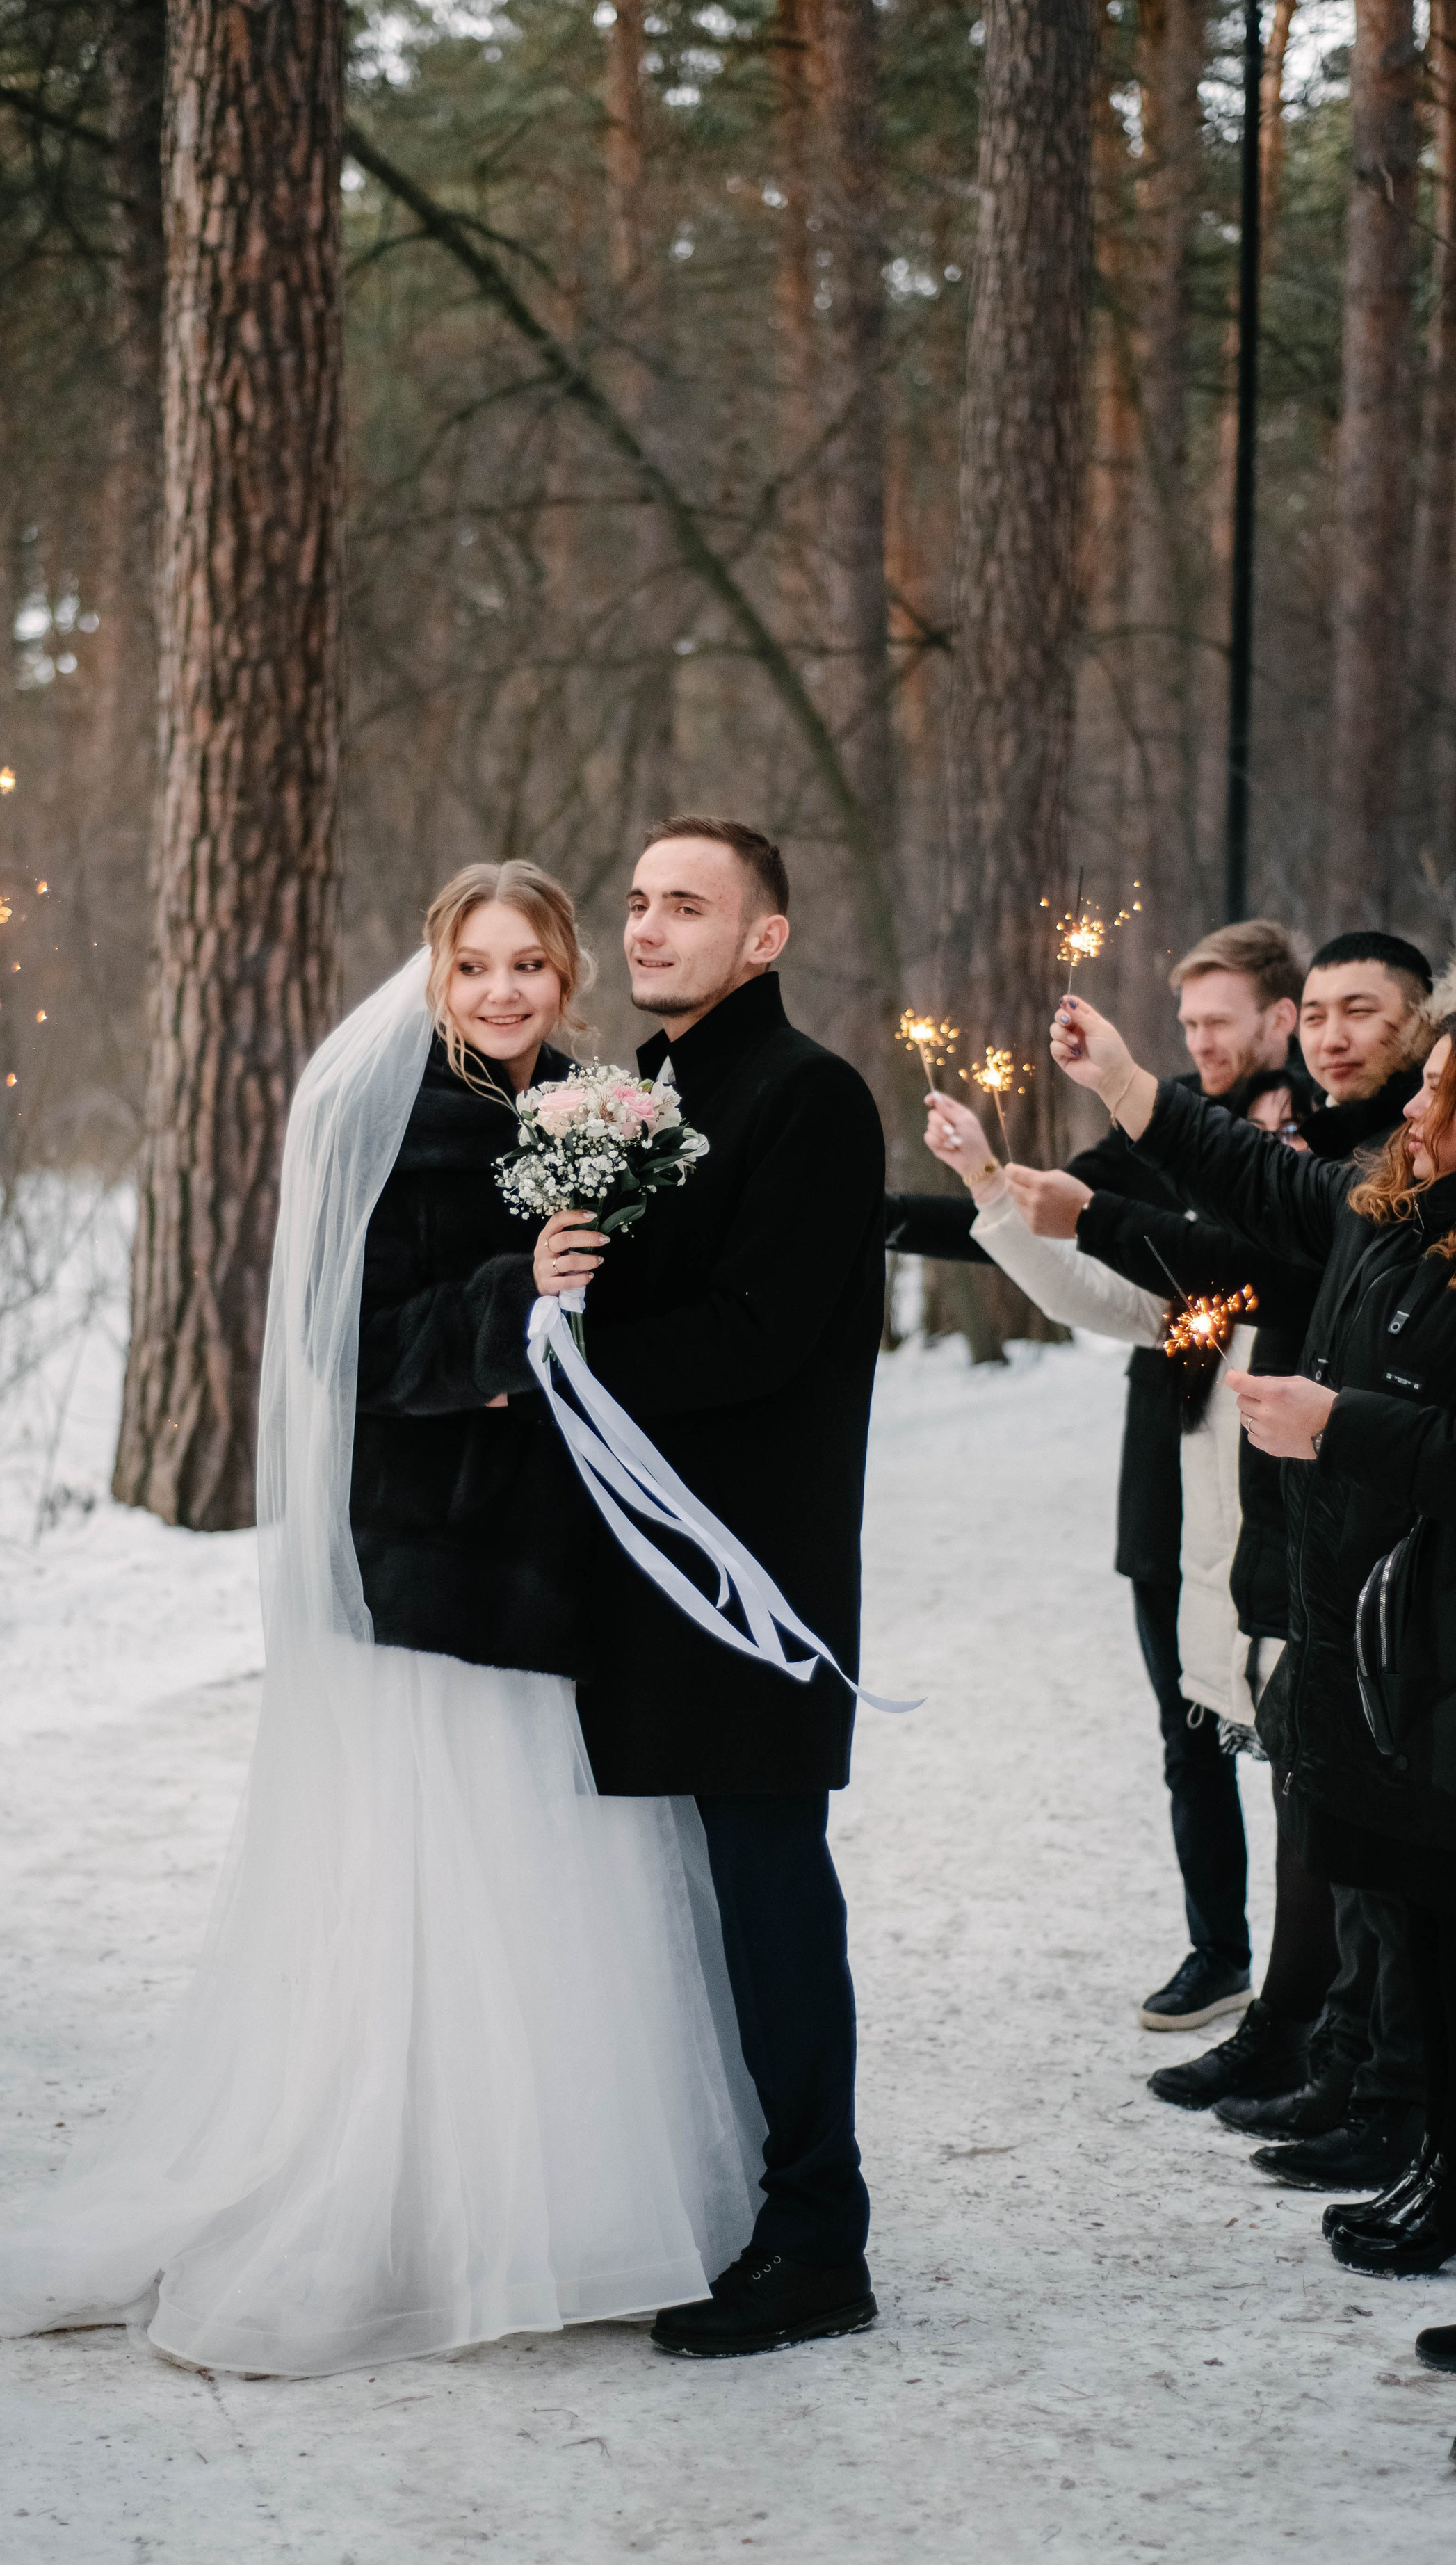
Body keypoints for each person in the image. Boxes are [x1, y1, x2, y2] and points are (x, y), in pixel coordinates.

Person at [0, 860, 759, 2378]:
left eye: (528, 966)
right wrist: (518, 1295)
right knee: (445, 1882)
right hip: (438, 1566)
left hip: (562, 1564)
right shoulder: (393, 1119)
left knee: (563, 1889)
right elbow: (352, 1350)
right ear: (436, 975)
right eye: (474, 966)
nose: (501, 992)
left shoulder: (597, 1112)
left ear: (566, 977)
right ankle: (410, 2211)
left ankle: (568, 2206)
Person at [1049, 975, 1456, 2386]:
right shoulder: (1384, 1210)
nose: (1419, 1104)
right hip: (1365, 1626)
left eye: (1444, 1088)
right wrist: (1123, 1088)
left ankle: (1402, 2116)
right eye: (1427, 1081)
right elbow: (1250, 1188)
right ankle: (1426, 2149)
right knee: (1401, 1901)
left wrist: (1342, 1425)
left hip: (1429, 1624)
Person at [536, 815, 886, 2360]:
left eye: (687, 904)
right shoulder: (631, 1095)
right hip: (633, 1563)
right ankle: (703, 2201)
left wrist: (560, 1359)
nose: (647, 926)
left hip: (750, 1572)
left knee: (767, 1890)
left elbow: (758, 1335)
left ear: (765, 937)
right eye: (636, 901)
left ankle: (818, 2238)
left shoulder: (807, 1095)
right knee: (671, 1904)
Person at [889, 919, 1305, 2034]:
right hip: (1170, 1442)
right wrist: (913, 1204)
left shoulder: (1314, 1137)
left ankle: (1319, 1977)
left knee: (1300, 1735)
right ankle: (1219, 1950)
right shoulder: (1154, 1120)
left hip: (1284, 1458)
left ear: (1281, 1016)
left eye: (1219, 1022)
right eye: (1186, 1023)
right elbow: (1047, 1228)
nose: (1199, 1042)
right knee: (1187, 1723)